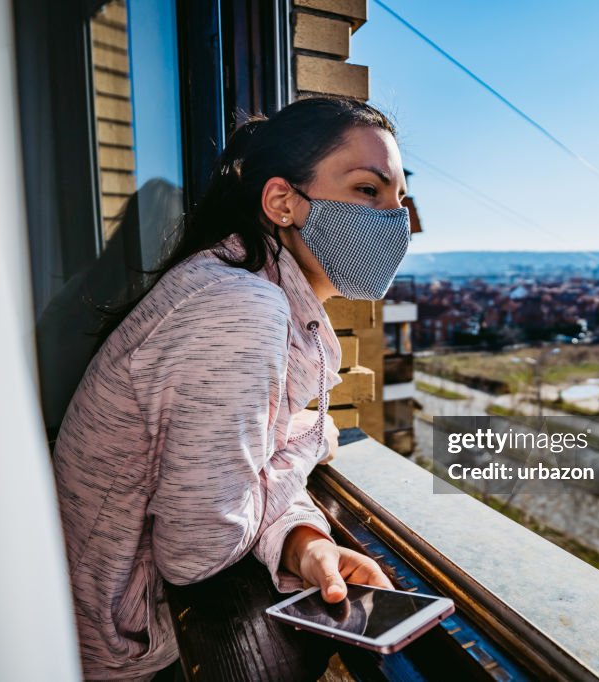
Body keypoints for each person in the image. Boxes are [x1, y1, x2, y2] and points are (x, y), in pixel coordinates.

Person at [51, 94, 411, 681]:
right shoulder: (239, 309)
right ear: (283, 202)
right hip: (110, 657)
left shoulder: (250, 292)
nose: (396, 222)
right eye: (368, 191)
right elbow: (197, 549)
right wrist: (314, 436)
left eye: (400, 199)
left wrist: (299, 541)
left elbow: (244, 472)